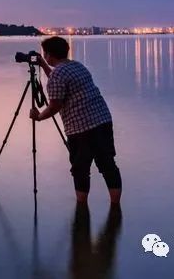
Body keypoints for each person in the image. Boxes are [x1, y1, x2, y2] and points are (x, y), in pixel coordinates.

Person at [29, 36, 122, 205]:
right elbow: (59, 83)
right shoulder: (77, 66)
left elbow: (55, 106)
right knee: (108, 165)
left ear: (49, 54)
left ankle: (82, 207)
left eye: (45, 54)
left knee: (80, 170)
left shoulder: (57, 75)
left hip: (80, 129)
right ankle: (115, 206)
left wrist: (39, 117)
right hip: (103, 120)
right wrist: (43, 65)